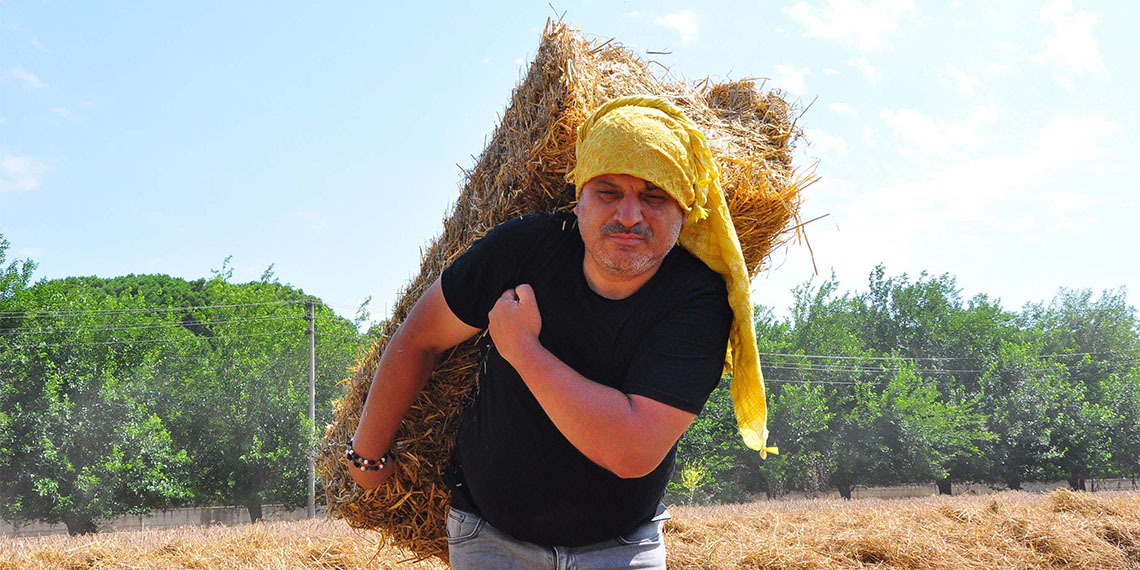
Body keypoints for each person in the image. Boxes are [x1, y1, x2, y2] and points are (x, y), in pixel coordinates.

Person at [346, 95, 776, 569]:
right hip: (490, 538)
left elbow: (631, 451)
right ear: (580, 199)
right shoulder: (521, 252)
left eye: (654, 195)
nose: (630, 215)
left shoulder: (698, 302)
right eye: (608, 192)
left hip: (623, 545)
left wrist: (522, 348)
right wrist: (366, 457)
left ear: (684, 208)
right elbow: (419, 338)